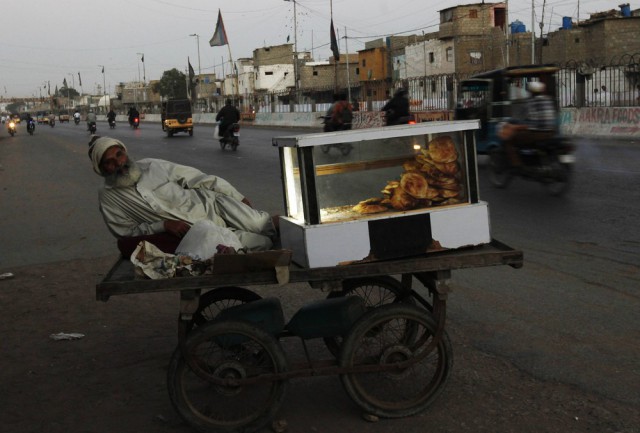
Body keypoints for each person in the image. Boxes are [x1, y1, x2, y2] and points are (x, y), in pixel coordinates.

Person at [87, 136, 278, 253]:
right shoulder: (108, 197)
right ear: (101, 169)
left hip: (215, 206)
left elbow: (197, 178)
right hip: (199, 231)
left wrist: (236, 196)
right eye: (109, 162)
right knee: (263, 243)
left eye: (119, 155)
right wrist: (162, 225)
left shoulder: (151, 165)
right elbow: (126, 232)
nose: (119, 163)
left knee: (263, 224)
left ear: (125, 153)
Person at [499, 81, 558, 167]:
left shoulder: (532, 101)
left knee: (510, 140)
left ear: (531, 92)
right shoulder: (548, 99)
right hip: (551, 132)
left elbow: (528, 121)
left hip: (537, 133)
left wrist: (515, 125)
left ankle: (517, 165)